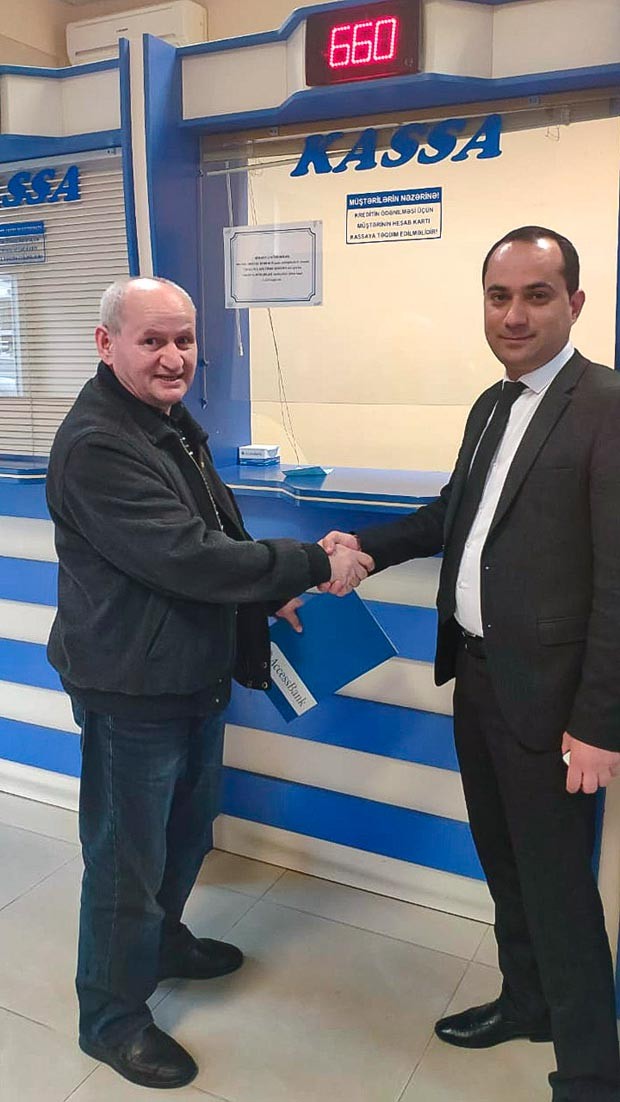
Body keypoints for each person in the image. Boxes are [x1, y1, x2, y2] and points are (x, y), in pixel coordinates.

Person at [45, 276, 372, 1090]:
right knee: (126, 859)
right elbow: (185, 557)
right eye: (152, 340)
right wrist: (310, 562)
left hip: (192, 673)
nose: (173, 357)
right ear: (105, 344)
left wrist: (266, 592)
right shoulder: (98, 444)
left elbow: (212, 534)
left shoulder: (168, 425)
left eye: (184, 340)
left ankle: (162, 944)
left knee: (187, 832)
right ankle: (111, 1017)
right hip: (132, 688)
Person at [321, 227, 620, 1102]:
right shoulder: (492, 404)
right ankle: (527, 1003)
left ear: (575, 303)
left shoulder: (606, 405)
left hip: (555, 702)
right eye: (499, 296)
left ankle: (591, 1073)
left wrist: (600, 725)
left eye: (536, 295)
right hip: (479, 679)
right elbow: (453, 515)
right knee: (505, 864)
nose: (514, 315)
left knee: (560, 890)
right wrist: (363, 549)